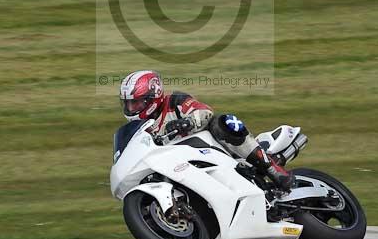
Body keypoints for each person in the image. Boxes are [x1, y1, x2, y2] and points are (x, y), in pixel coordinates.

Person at [118, 70, 293, 191]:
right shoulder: (142, 129)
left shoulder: (174, 101)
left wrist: (186, 122)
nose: (131, 107)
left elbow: (205, 111)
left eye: (136, 102)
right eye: (128, 103)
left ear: (153, 97)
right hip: (181, 166)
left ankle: (273, 169)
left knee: (225, 122)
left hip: (210, 149)